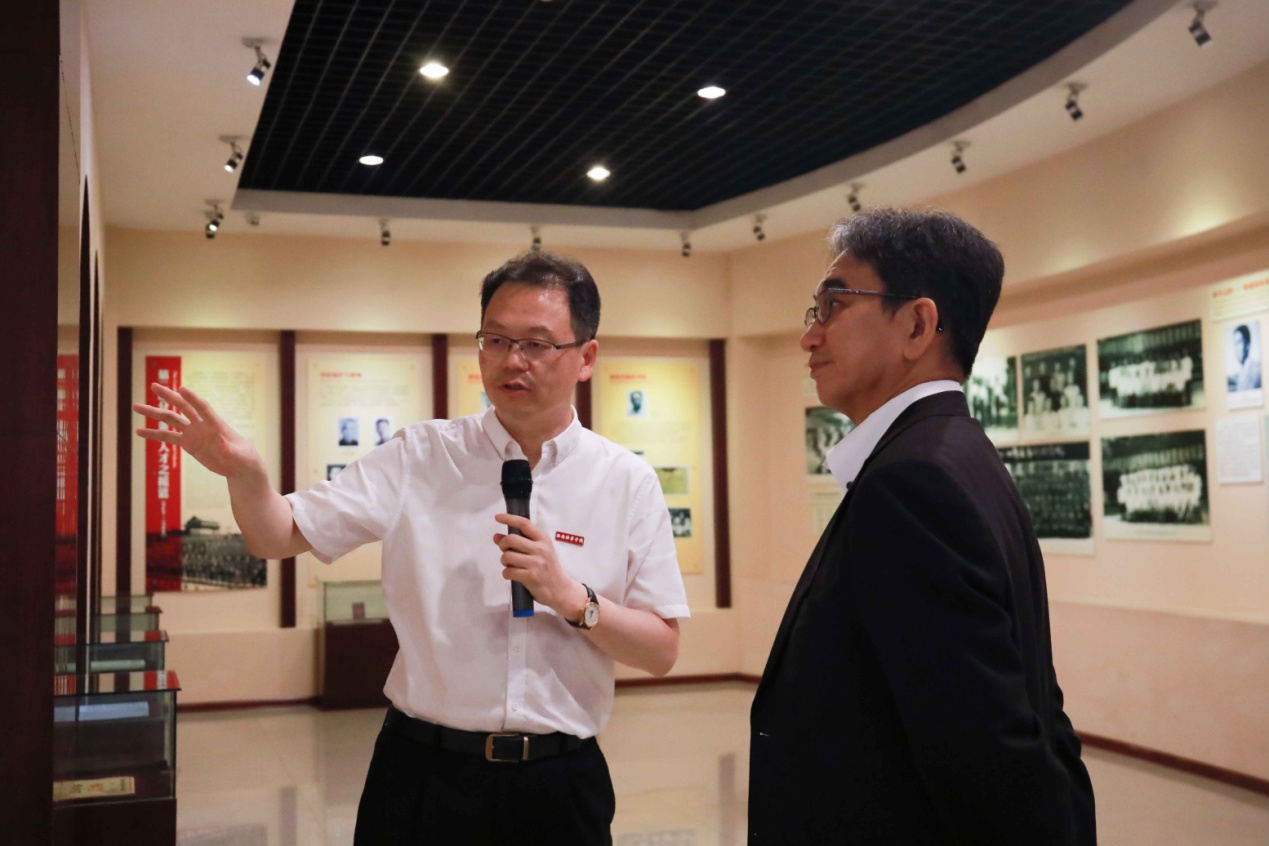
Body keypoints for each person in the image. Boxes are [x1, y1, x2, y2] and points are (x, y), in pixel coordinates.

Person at [134, 251, 690, 845]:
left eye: (537, 343)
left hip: (560, 784)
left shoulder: (625, 481)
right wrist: (247, 476)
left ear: (587, 357)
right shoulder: (419, 456)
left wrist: (573, 599)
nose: (512, 360)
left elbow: (661, 650)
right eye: (496, 340)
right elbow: (276, 534)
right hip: (424, 773)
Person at [749, 208, 1095, 844]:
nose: (810, 337)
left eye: (832, 307)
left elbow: (986, 755)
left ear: (916, 324)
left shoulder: (912, 482)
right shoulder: (956, 454)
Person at [1229, 323, 1261, 392]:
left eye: (1239, 342)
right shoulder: (1242, 373)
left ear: (1247, 345)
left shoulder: (1257, 370)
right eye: (1234, 343)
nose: (1236, 349)